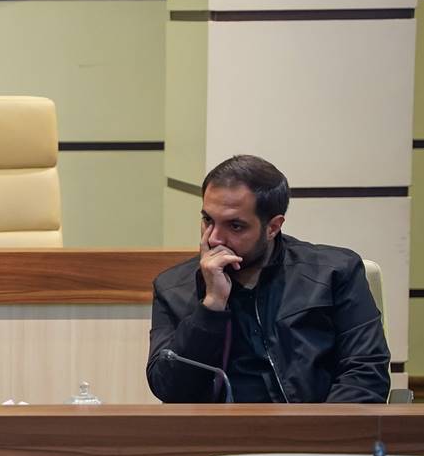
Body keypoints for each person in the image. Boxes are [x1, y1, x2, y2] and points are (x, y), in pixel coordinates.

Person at [147, 155, 389, 403]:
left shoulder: (334, 273)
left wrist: (317, 426)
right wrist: (211, 306)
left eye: (235, 226)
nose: (214, 238)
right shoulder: (172, 288)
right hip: (221, 427)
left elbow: (366, 375)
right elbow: (170, 389)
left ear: (273, 227)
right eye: (208, 220)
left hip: (314, 423)